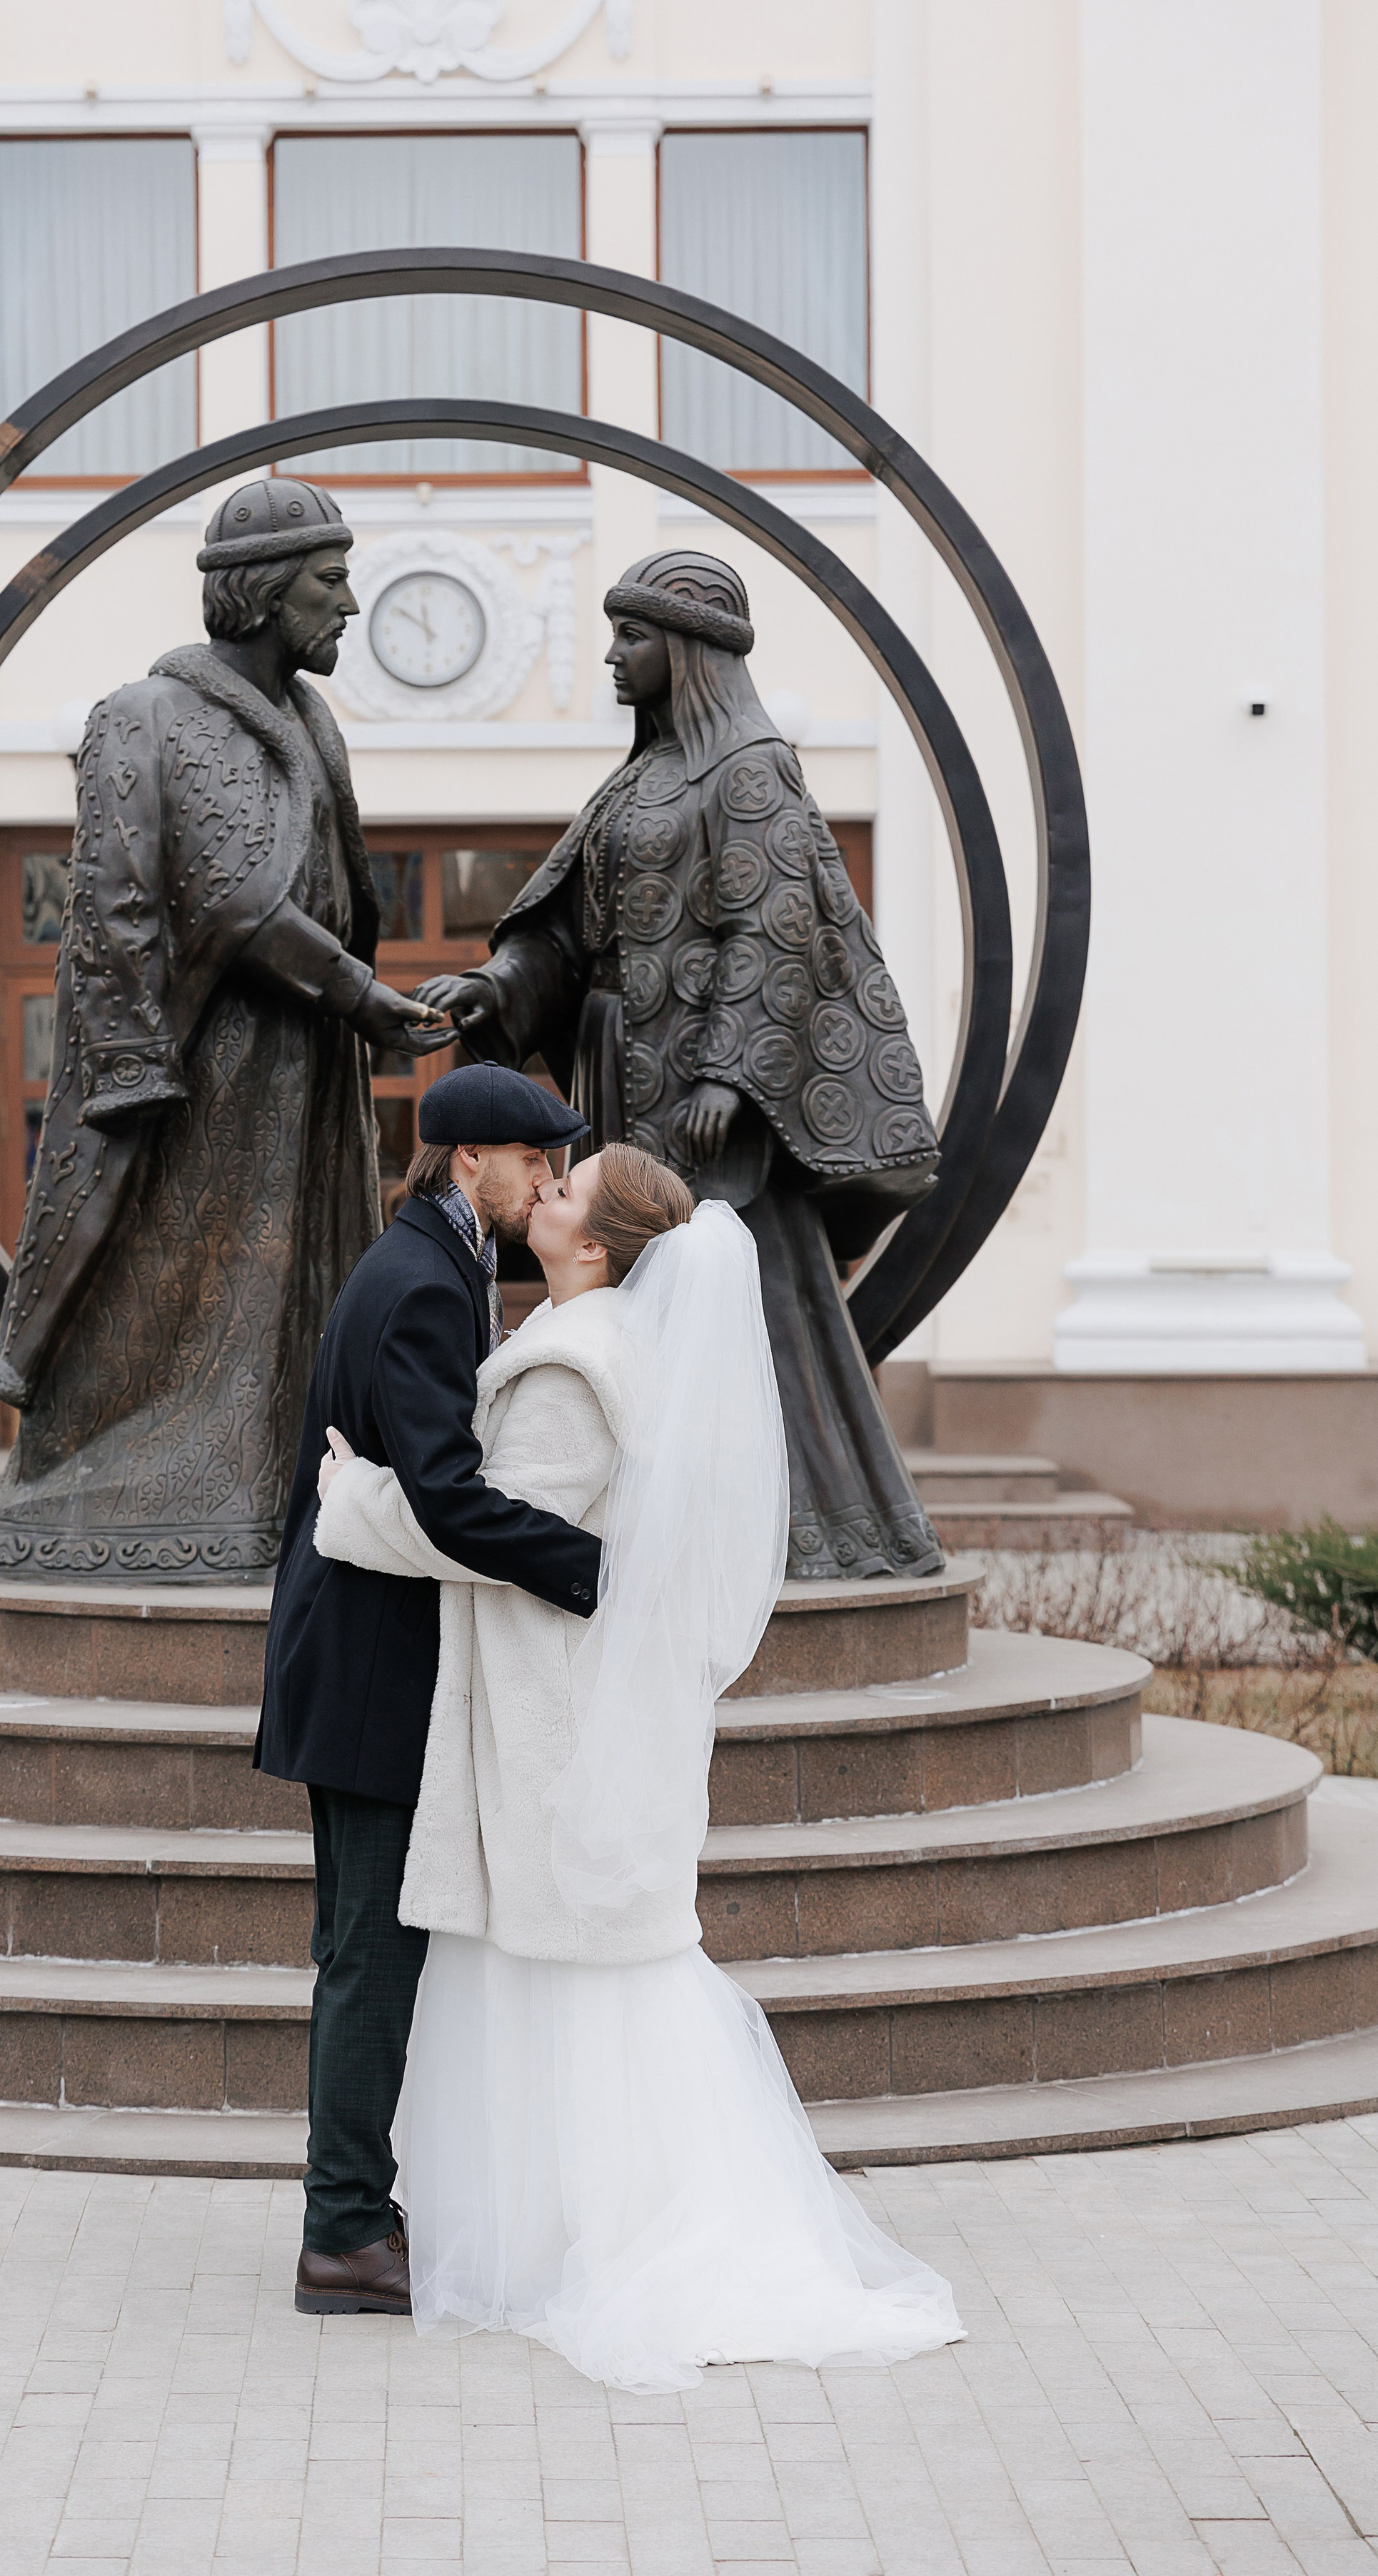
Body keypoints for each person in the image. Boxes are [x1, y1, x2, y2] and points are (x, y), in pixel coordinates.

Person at [313, 1145, 965, 2392]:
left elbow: (493, 1534)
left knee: (582, 1982)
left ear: (599, 1246)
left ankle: (606, 2238)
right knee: (576, 1978)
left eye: (566, 1190)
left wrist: (353, 1501)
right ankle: (571, 2230)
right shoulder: (603, 1344)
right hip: (568, 1706)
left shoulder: (573, 1365)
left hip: (556, 1723)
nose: (542, 1191)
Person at [415, 549, 946, 1585]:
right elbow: (569, 935)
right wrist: (502, 986)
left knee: (745, 1298)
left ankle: (815, 1531)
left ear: (692, 649)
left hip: (712, 1104)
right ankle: (661, 1519)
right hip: (626, 1069)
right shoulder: (641, 780)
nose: (613, 655)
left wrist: (730, 1076)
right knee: (647, 1293)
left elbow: (774, 926)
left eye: (633, 636)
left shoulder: (750, 765)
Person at [0, 479, 448, 1581]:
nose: (350, 604)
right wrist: (361, 993)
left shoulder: (308, 720)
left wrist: (358, 1004)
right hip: (202, 1070)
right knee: (186, 1285)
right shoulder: (150, 714)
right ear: (266, 589)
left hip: (304, 1063)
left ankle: (295, 1484)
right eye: (331, 581)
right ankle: (141, 1493)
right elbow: (216, 899)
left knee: (294, 1286)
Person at [257, 1061, 603, 2318]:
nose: (550, 1182)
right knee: (367, 1957)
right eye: (536, 1163)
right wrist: (597, 1570)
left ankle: (349, 2207)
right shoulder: (417, 1284)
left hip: (364, 1662)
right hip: (366, 1676)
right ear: (470, 1162)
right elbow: (449, 1497)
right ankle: (343, 2232)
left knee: (360, 1949)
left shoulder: (439, 1265)